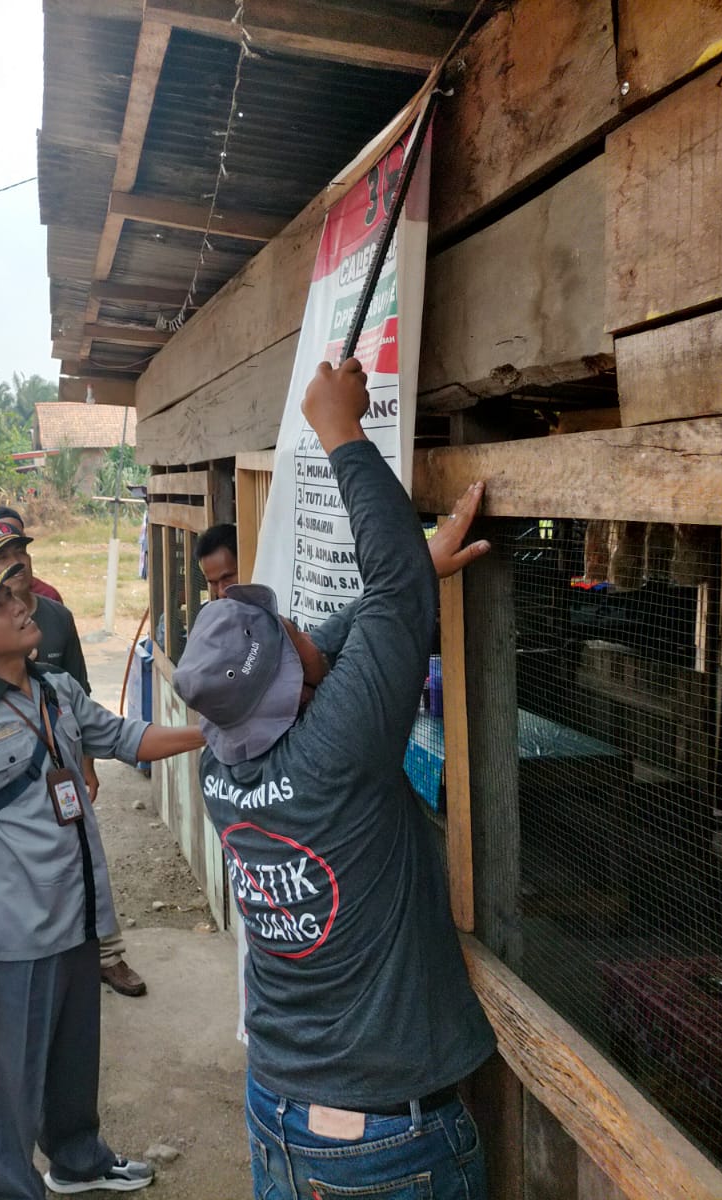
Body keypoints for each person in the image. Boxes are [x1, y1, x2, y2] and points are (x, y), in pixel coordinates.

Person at [173, 358, 495, 1200]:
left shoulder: (220, 764)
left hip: (279, 1106)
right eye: (288, 629)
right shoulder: (338, 750)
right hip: (385, 1142)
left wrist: (420, 567)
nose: (301, 627)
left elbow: (343, 630)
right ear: (294, 679)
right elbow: (384, 597)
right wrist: (339, 429)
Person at [0, 562, 206, 1198]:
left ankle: (76, 1159)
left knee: (74, 1058)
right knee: (6, 1080)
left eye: (17, 595)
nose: (21, 607)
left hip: (76, 913)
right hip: (13, 933)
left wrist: (213, 732)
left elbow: (127, 737)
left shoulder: (55, 690)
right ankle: (14, 1188)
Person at [0, 520, 148, 999]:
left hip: (71, 902)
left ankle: (101, 954)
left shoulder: (53, 635)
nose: (16, 571)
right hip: (13, 933)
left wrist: (214, 730)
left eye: (20, 552)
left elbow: (107, 726)